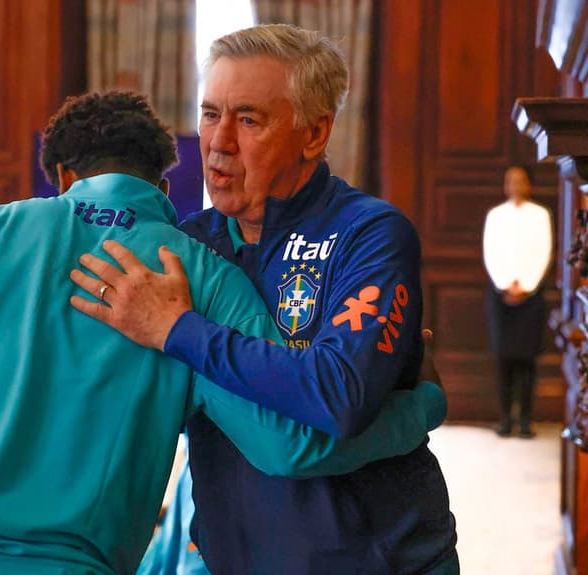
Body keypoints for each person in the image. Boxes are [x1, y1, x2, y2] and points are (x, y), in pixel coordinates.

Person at [0, 91, 446, 575]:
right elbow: (289, 448)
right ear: (163, 184)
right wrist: (419, 408)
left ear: (61, 177)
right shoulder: (197, 274)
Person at [71, 26, 459, 574]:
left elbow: (336, 395)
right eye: (210, 114)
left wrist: (178, 330)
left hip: (381, 560)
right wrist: (418, 408)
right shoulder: (185, 244)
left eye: (248, 119)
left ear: (314, 133)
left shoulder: (369, 233)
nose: (218, 141)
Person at [483, 165, 552, 438]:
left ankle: (525, 420)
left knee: (528, 361)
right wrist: (506, 284)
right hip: (501, 295)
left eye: (520, 180)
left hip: (531, 296)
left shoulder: (540, 215)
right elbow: (491, 252)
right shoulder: (496, 215)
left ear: (529, 184)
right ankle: (504, 419)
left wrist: (526, 285)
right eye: (510, 180)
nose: (515, 185)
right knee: (503, 360)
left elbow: (544, 251)